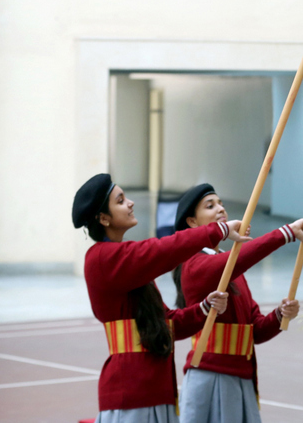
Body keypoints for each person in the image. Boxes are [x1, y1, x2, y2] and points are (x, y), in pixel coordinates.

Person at [73, 173, 248, 423]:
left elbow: (169, 324)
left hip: (157, 390)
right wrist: (217, 230)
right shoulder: (101, 258)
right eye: (121, 201)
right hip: (130, 392)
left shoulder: (127, 263)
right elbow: (162, 250)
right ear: (103, 218)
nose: (131, 203)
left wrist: (204, 308)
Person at [172, 183, 303, 423]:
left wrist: (280, 314)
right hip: (210, 374)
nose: (221, 209)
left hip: (243, 375)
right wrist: (286, 233)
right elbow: (240, 258)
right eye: (210, 206)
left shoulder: (231, 267)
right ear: (192, 222)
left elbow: (256, 331)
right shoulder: (194, 264)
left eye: (221, 204)